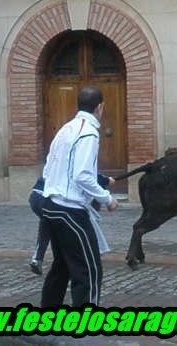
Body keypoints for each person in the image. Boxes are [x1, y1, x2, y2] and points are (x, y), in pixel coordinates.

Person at [38, 85, 118, 307]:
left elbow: (49, 167)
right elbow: (82, 175)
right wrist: (107, 198)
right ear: (100, 107)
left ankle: (48, 312)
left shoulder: (66, 128)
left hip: (51, 207)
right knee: (89, 269)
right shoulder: (89, 132)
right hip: (70, 211)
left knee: (62, 265)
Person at [29, 173, 114, 275]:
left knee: (46, 225)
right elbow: (86, 176)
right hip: (50, 198)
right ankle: (79, 258)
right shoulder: (79, 160)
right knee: (76, 227)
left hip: (35, 197)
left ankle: (37, 258)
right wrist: (107, 181)